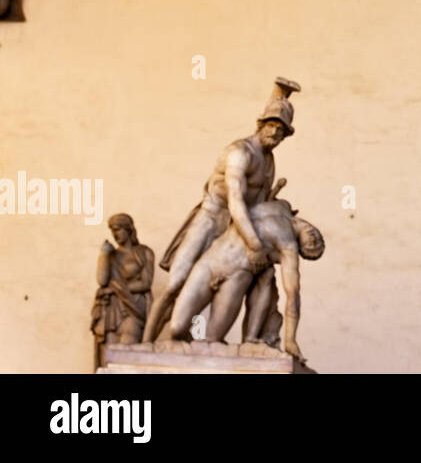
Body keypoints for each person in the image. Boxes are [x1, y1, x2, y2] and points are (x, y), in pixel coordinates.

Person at [143, 78, 299, 342]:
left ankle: (253, 339)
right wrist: (254, 242)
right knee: (175, 283)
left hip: (234, 230)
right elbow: (236, 200)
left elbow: (257, 205)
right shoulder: (240, 152)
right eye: (272, 126)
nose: (275, 134)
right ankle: (145, 343)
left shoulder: (269, 162)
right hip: (212, 219)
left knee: (261, 275)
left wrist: (277, 215)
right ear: (261, 125)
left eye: (281, 131)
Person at [158, 197, 324, 361]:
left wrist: (290, 339)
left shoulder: (288, 247)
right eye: (320, 241)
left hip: (236, 278)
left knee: (212, 341)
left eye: (312, 248)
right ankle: (184, 355)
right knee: (176, 329)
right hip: (210, 262)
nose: (316, 242)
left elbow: (293, 295)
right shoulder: (282, 204)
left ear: (300, 249)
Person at [91, 213, 154, 368]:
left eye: (118, 229)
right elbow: (102, 281)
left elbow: (146, 283)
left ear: (128, 229)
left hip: (134, 307)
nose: (115, 234)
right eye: (112, 230)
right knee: (109, 358)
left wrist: (116, 289)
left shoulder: (144, 253)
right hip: (112, 309)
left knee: (127, 355)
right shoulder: (112, 255)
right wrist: (104, 255)